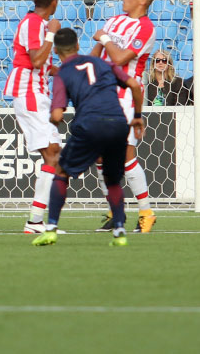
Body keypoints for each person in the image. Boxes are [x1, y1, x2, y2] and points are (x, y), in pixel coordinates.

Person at [31, 28, 145, 247]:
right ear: (76, 46)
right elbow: (133, 85)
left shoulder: (63, 73)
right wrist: (138, 116)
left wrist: (54, 121)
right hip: (118, 123)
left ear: (55, 50)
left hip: (90, 125)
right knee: (112, 179)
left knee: (61, 171)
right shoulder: (102, 63)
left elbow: (57, 113)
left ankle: (51, 227)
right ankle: (120, 231)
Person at [90, 0, 158, 233]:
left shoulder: (145, 28)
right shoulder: (115, 20)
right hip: (101, 93)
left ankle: (146, 213)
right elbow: (96, 53)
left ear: (142, 0)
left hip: (125, 95)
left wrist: (105, 38)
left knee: (126, 156)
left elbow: (120, 58)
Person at [4, 0, 62, 234]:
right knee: (52, 155)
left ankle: (36, 220)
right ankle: (35, 221)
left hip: (37, 93)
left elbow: (42, 64)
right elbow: (36, 59)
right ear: (54, 3)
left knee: (54, 155)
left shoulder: (37, 25)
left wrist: (63, 72)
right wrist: (52, 33)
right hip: (28, 93)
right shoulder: (33, 24)